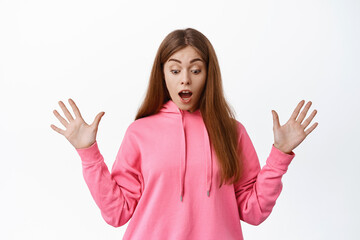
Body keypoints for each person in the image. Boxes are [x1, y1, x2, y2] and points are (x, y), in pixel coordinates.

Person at [50, 28, 318, 240]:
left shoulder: (231, 132)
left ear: (208, 74)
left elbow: (254, 211)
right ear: (163, 74)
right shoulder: (140, 132)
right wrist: (89, 154)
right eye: (175, 70)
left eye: (196, 70)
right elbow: (117, 213)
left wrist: (279, 155)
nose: (185, 79)